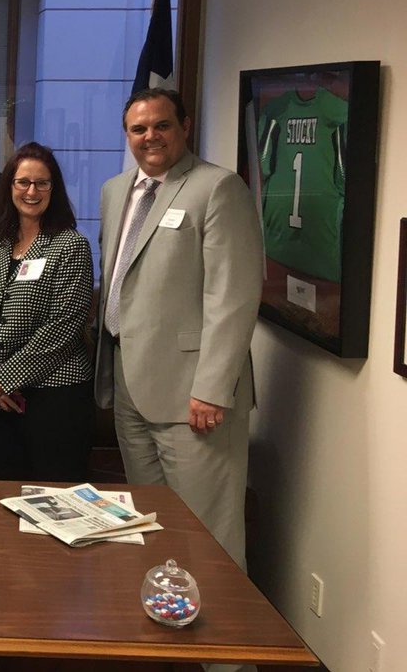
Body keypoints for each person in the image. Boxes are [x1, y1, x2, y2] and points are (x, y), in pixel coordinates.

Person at [96, 87, 263, 571]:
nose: (151, 136)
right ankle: (167, 626)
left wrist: (212, 389)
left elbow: (233, 297)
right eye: (138, 128)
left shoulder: (217, 188)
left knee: (207, 532)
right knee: (148, 523)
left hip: (194, 396)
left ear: (184, 127)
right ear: (127, 135)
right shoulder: (114, 190)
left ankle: (218, 646)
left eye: (162, 125)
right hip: (130, 383)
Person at [0, 142, 94, 482]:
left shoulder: (70, 245)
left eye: (42, 183)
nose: (32, 191)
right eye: (23, 182)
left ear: (54, 189)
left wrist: (5, 378)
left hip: (54, 396)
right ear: (10, 186)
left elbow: (64, 327)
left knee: (54, 497)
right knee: (0, 493)